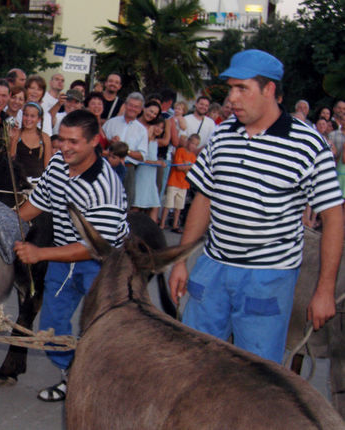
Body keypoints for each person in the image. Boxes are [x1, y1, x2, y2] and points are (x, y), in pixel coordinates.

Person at [168, 49, 345, 363]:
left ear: (270, 90)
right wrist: (181, 259)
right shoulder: (223, 135)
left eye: (242, 89)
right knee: (194, 363)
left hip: (268, 277)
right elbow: (205, 199)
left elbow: (333, 217)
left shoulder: (307, 143)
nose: (232, 98)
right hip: (212, 268)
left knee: (256, 375)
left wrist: (324, 291)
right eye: (230, 89)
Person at [13, 109, 128, 402]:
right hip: (64, 262)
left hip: (102, 265)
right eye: (61, 139)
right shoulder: (56, 165)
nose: (64, 147)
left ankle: (104, 388)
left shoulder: (106, 186)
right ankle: (73, 375)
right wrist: (3, 222)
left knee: (101, 332)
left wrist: (39, 253)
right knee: (51, 330)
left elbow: (93, 246)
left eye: (73, 141)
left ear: (93, 141)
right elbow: (35, 205)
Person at [103, 91, 147, 205]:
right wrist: (110, 142)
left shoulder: (142, 130)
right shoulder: (111, 122)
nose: (132, 108)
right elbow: (100, 144)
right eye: (131, 105)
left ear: (140, 110)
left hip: (128, 169)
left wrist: (125, 151)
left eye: (136, 107)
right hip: (108, 166)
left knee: (125, 202)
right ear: (126, 105)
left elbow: (142, 156)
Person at [161, 134, 199, 232]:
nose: (193, 146)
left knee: (179, 206)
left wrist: (185, 167)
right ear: (188, 142)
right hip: (174, 181)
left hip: (184, 184)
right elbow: (178, 167)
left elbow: (187, 170)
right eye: (192, 143)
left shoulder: (193, 156)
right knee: (168, 204)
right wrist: (188, 167)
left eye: (196, 145)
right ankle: (162, 223)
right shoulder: (180, 151)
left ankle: (175, 225)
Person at [10, 102, 52, 180]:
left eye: (32, 116)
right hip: (18, 180)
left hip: (37, 182)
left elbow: (47, 166)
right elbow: (11, 159)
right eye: (26, 115)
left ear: (39, 119)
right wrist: (13, 139)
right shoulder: (16, 134)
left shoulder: (45, 138)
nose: (28, 119)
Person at [134, 114, 165, 220]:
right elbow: (142, 158)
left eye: (162, 128)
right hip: (143, 174)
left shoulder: (156, 142)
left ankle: (153, 231)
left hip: (151, 176)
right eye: (157, 126)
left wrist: (158, 162)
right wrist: (155, 162)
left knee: (154, 204)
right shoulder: (145, 139)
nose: (159, 129)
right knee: (137, 204)